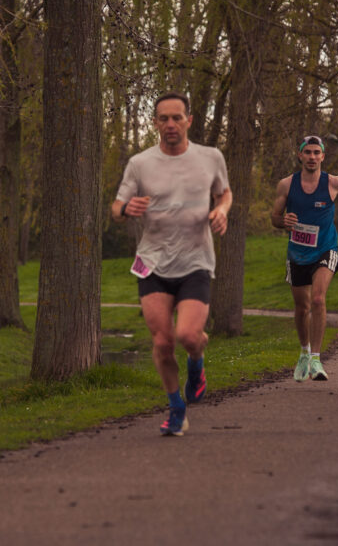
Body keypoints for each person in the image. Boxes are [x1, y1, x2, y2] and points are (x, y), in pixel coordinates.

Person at [112, 91, 232, 436]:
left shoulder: (210, 157)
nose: (170, 124)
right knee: (163, 343)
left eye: (176, 118)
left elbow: (224, 193)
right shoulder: (140, 163)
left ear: (189, 120)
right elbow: (116, 207)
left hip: (196, 260)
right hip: (153, 262)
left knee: (189, 336)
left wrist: (221, 211)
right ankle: (176, 408)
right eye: (163, 118)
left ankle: (197, 361)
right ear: (154, 123)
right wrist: (126, 209)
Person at [270, 135, 338, 382]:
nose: (312, 157)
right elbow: (275, 217)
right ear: (300, 155)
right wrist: (283, 221)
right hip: (297, 252)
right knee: (302, 307)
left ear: (323, 156)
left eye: (316, 152)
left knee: (318, 299)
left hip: (326, 248)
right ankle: (304, 352)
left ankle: (316, 358)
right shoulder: (286, 185)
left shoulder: (334, 183)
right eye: (307, 152)